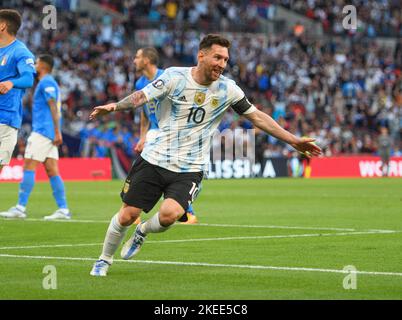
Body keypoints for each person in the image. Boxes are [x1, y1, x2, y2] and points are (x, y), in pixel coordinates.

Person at [88, 34, 321, 276]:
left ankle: (143, 232)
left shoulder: (228, 89)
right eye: (217, 57)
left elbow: (257, 117)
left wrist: (293, 140)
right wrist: (115, 106)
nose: (222, 64)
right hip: (155, 158)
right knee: (127, 215)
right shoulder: (174, 77)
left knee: (169, 216)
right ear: (201, 55)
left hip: (190, 167)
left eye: (226, 60)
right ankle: (104, 260)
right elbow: (141, 97)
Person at [0, 54, 71, 220]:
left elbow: (53, 106)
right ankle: (63, 209)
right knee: (52, 169)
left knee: (28, 166)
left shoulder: (46, 82)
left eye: (37, 62)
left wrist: (57, 131)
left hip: (43, 132)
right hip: (49, 132)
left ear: (44, 66)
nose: (34, 65)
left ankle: (20, 207)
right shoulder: (48, 82)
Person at [133, 46, 198, 224]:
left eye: (137, 57)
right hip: (155, 131)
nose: (134, 60)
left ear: (147, 60)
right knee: (147, 166)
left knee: (167, 168)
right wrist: (142, 136)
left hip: (172, 131)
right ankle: (135, 211)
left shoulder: (168, 76)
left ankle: (186, 212)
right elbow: (144, 111)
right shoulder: (139, 83)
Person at [0, 9, 35, 172]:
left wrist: (11, 83)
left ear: (2, 26)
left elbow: (28, 79)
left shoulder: (19, 51)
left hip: (5, 118)